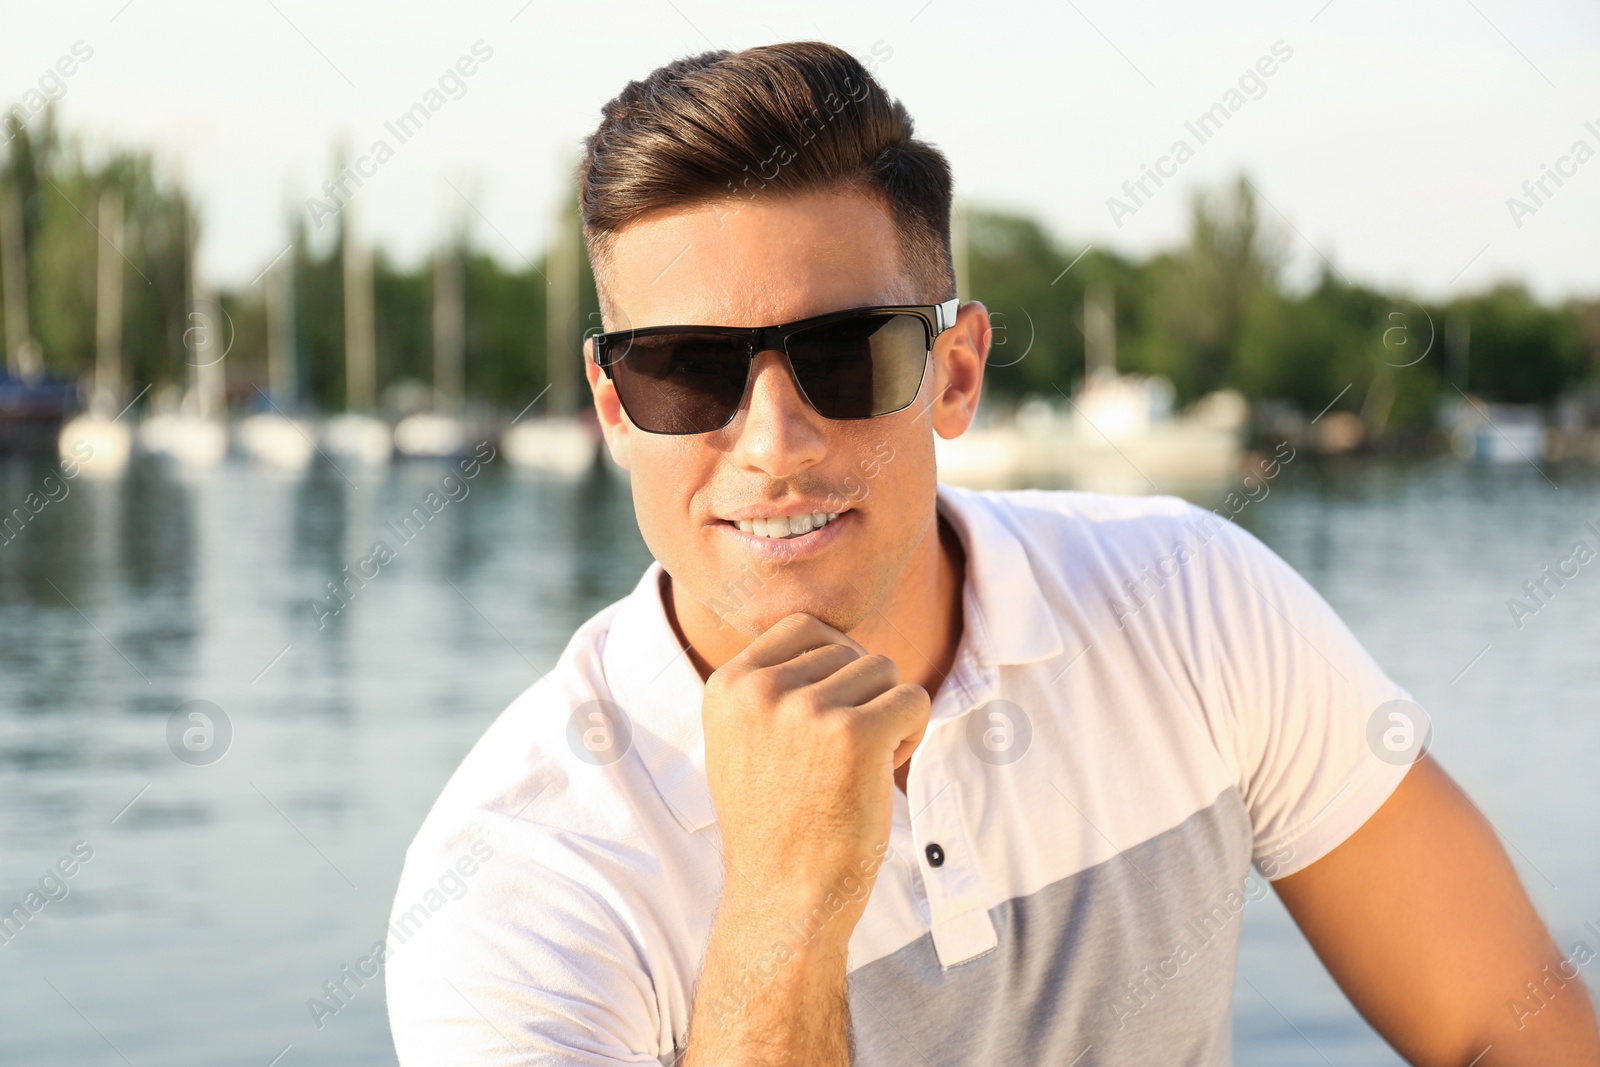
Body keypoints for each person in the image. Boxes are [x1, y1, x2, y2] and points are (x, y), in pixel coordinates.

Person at [385, 41, 1599, 1066]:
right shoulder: (520, 884)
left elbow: (1508, 1022)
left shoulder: (1192, 606)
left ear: (954, 371)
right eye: (686, 368)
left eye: (847, 353)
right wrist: (781, 910)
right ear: (612, 407)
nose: (774, 443)